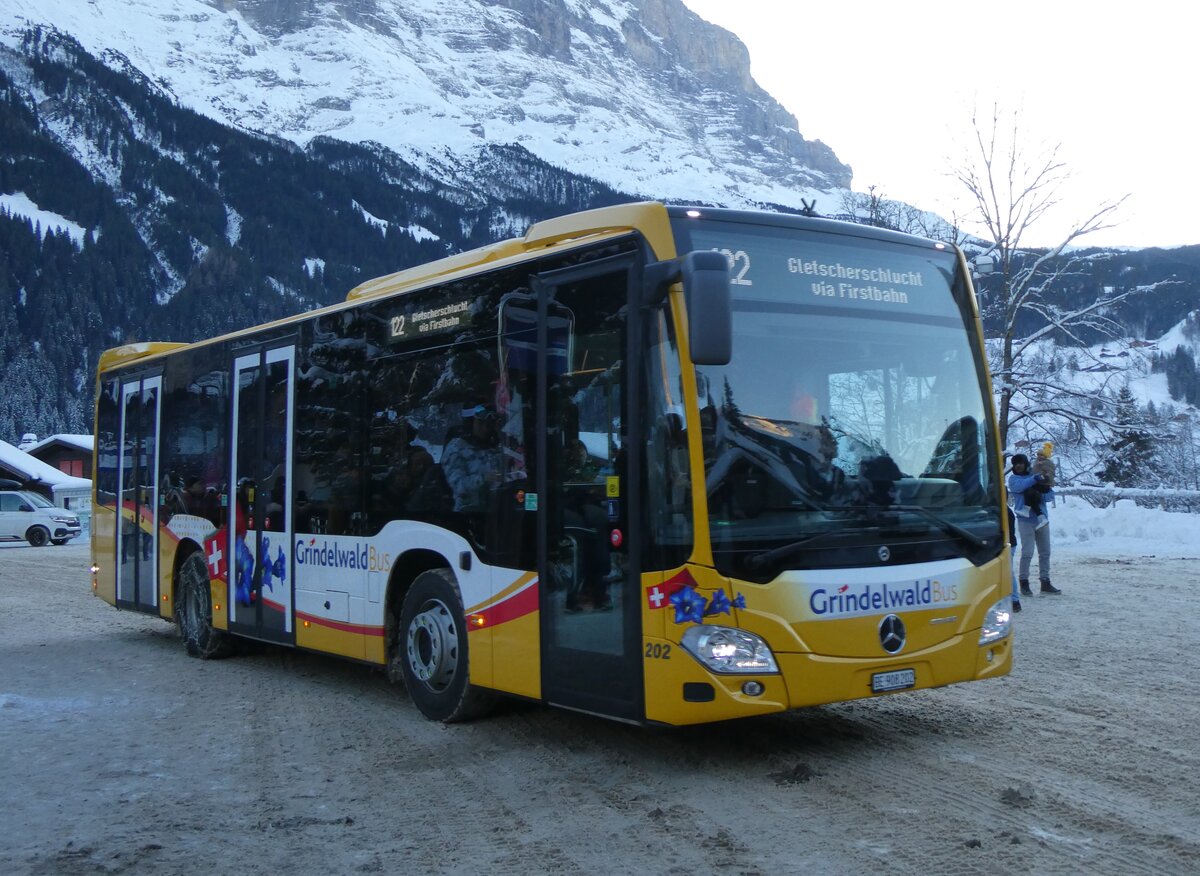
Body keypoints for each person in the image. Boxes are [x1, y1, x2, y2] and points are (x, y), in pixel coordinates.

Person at [1007, 453, 1061, 596]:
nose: (1018, 465)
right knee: (1027, 552)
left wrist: (1040, 494)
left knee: (1045, 552)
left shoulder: (1035, 476)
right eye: (1015, 463)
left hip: (1042, 520)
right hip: (1025, 521)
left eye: (1020, 462)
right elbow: (1019, 487)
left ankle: (1045, 581)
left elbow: (1050, 495)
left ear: (1025, 463)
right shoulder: (1014, 479)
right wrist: (1035, 479)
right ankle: (1024, 582)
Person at [441, 404, 504, 512]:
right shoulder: (456, 448)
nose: (485, 428)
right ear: (470, 423)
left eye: (489, 424)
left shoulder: (497, 446)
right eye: (480, 423)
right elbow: (458, 485)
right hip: (468, 515)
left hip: (498, 512)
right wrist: (484, 479)